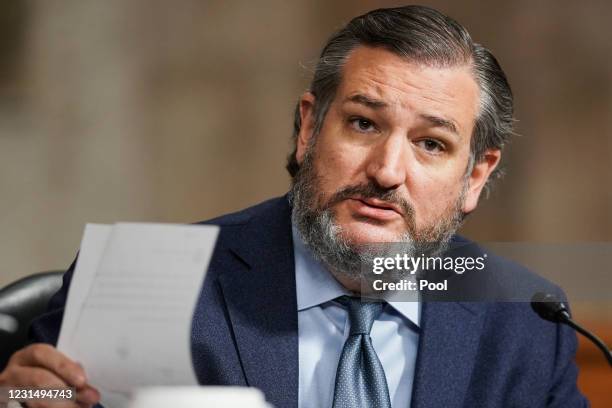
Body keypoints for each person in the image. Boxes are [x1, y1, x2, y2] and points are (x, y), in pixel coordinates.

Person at [0, 5, 587, 408]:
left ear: (475, 176)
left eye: (431, 144)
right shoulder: (144, 281)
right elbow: (46, 395)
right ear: (309, 128)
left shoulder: (525, 321)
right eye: (362, 123)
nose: (387, 171)